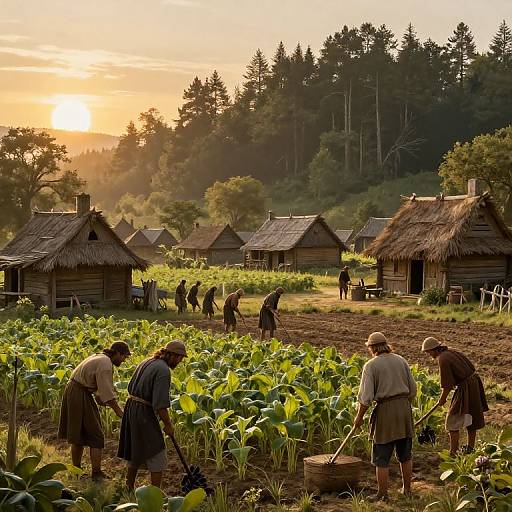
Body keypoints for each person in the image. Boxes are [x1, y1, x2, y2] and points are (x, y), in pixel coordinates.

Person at [353, 332, 417, 501]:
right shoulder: (401, 360)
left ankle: (382, 494)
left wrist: (359, 417)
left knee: (381, 456)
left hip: (386, 410)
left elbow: (365, 398)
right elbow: (413, 390)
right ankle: (407, 490)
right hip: (404, 408)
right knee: (405, 454)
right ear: (386, 345)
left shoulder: (371, 366)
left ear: (372, 348)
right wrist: (402, 403)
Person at [118, 340, 187, 490]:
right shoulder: (163, 370)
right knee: (157, 452)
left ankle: (128, 486)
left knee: (136, 447)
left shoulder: (148, 361)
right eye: (180, 358)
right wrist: (168, 425)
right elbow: (160, 404)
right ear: (172, 355)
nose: (180, 361)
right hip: (143, 412)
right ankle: (155, 493)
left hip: (131, 407)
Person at [58, 341, 130, 480]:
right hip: (79, 393)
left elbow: (99, 391)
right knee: (96, 435)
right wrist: (121, 414)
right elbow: (108, 395)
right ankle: (96, 473)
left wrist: (101, 400)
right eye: (124, 357)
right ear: (118, 353)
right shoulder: (106, 364)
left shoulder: (99, 357)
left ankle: (76, 471)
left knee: (79, 435)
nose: (124, 360)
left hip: (76, 390)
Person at [421, 337, 488, 457]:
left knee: (451, 421)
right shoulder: (451, 351)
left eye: (428, 352)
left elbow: (447, 385)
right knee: (471, 417)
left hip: (466, 386)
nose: (428, 354)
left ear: (434, 349)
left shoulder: (443, 359)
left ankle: (453, 453)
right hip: (473, 383)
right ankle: (470, 449)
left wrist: (442, 399)